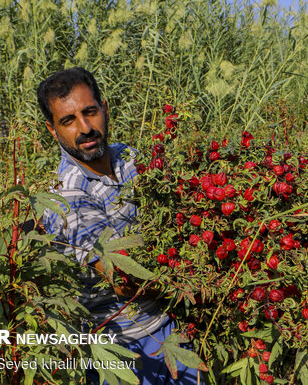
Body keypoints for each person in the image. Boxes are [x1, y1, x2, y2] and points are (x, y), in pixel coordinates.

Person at [37, 67, 198, 384]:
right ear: (52, 129)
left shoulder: (129, 157)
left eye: (90, 112)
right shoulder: (65, 195)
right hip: (125, 348)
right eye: (68, 121)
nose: (85, 128)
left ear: (105, 108)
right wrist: (198, 280)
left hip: (172, 327)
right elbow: (122, 282)